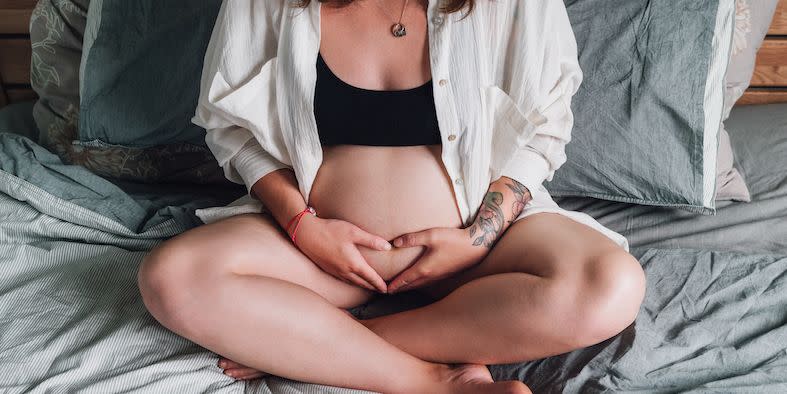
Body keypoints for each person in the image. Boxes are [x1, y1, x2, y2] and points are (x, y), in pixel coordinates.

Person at [137, 0, 646, 393]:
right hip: (325, 254)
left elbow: (545, 130)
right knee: (173, 278)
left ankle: (329, 344)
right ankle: (435, 381)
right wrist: (302, 226)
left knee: (610, 285)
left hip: (479, 246)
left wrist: (478, 237)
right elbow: (232, 131)